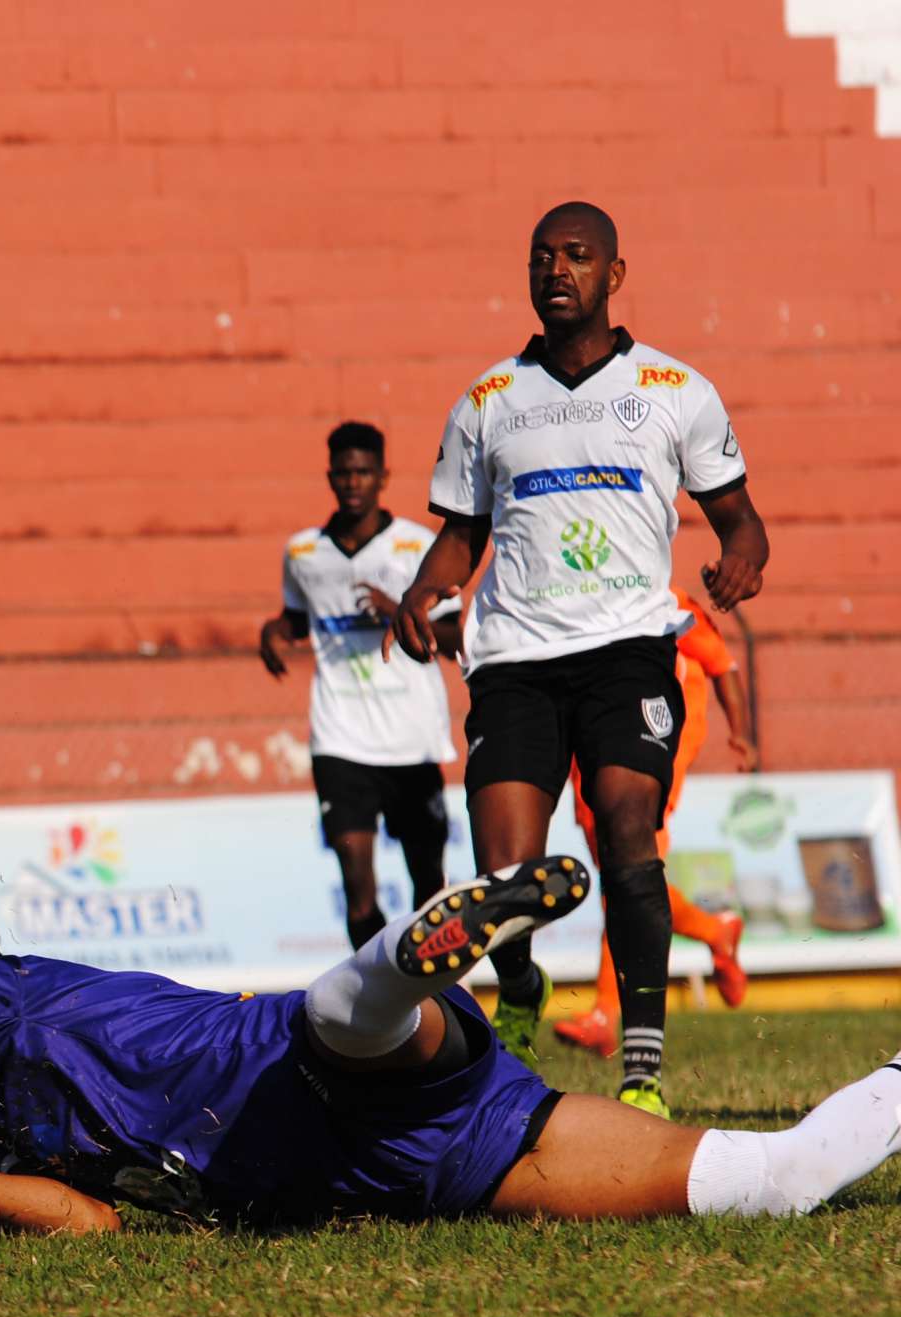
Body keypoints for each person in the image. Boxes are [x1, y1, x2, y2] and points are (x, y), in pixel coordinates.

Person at [0, 867, 901, 1235]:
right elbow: (89, 1225)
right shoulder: (12, 1120)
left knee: (332, 1020)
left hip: (317, 1069)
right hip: (417, 1166)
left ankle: (404, 955)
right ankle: (404, 967)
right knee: (771, 1186)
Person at [391, 200, 769, 1118]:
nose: (557, 270)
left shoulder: (676, 391)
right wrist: (423, 589)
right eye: (541, 257)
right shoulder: (487, 402)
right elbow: (462, 535)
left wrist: (746, 555)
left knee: (629, 835)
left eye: (577, 256)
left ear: (614, 274)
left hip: (629, 653)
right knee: (504, 883)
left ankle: (641, 1075)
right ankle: (520, 986)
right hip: (514, 661)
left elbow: (738, 516)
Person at [257, 421, 457, 949]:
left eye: (363, 472)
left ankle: (435, 1008)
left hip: (411, 741)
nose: (353, 483)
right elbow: (297, 620)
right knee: (358, 893)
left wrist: (403, 612)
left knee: (430, 890)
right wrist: (273, 633)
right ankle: (382, 1015)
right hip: (340, 740)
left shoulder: (418, 545)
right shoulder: (303, 554)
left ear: (383, 476)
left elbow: (458, 637)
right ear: (330, 476)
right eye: (343, 473)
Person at [557, 593, 758, 1058]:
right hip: (590, 755)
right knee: (622, 879)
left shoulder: (667, 600)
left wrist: (741, 734)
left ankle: (606, 1012)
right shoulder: (568, 599)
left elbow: (722, 663)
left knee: (627, 875)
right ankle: (715, 931)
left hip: (652, 752)